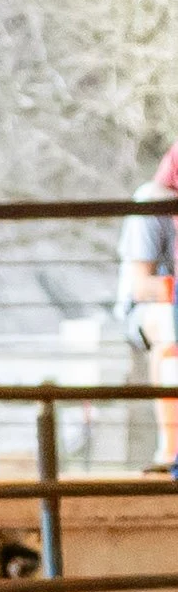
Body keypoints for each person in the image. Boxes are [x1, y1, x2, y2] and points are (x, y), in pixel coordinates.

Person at [118, 143, 178, 471]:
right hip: (148, 309)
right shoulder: (153, 200)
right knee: (170, 327)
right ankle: (170, 450)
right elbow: (141, 285)